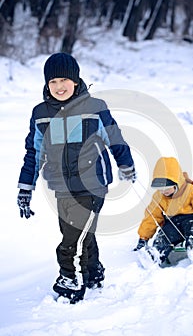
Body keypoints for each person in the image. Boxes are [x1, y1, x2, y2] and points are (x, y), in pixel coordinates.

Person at [17, 52, 136, 303]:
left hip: (93, 185)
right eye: (53, 82)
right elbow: (34, 153)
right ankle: (93, 272)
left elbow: (114, 137)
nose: (59, 87)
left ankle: (70, 278)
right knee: (82, 233)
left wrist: (125, 164)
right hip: (62, 187)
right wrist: (25, 187)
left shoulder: (95, 108)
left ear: (75, 80)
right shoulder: (40, 114)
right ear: (46, 84)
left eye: (64, 80)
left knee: (73, 238)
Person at [134, 156, 193, 264]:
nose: (164, 191)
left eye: (167, 187)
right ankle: (155, 254)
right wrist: (143, 238)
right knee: (165, 234)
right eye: (160, 188)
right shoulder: (158, 197)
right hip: (172, 222)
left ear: (176, 182)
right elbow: (151, 217)